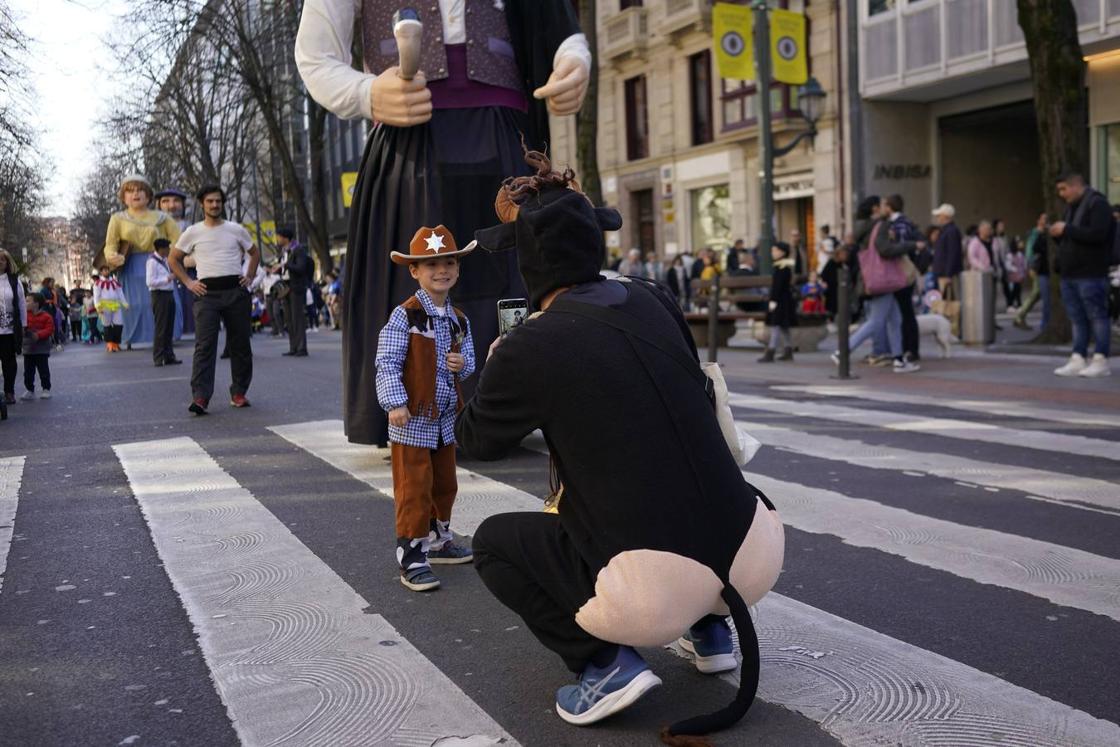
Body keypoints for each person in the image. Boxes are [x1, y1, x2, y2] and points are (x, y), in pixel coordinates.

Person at [460, 153, 783, 740]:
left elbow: (477, 438)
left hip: (655, 582)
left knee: (494, 544)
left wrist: (487, 370)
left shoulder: (531, 345)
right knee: (685, 467)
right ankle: (712, 631)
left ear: (527, 261)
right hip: (756, 549)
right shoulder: (653, 298)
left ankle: (604, 666)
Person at [296, 0, 590, 447]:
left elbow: (558, 22)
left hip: (501, 129)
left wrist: (573, 57)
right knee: (422, 272)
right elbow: (315, 56)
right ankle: (412, 406)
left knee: (509, 270)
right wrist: (367, 93)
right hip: (408, 131)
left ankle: (510, 405)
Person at [375, 225, 476, 592]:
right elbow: (387, 360)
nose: (442, 270)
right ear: (415, 271)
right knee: (413, 487)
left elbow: (470, 360)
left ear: (458, 269)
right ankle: (411, 553)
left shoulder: (458, 319)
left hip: (444, 420)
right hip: (412, 421)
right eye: (431, 264)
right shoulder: (406, 315)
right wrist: (395, 402)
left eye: (449, 262)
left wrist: (460, 364)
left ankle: (437, 538)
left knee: (444, 484)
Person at [169, 185, 259, 414]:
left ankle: (239, 392)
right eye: (210, 201)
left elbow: (254, 252)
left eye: (218, 201)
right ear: (202, 204)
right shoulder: (192, 232)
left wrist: (249, 276)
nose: (214, 205)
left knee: (240, 345)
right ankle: (200, 397)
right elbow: (174, 259)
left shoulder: (235, 229)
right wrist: (189, 283)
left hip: (235, 291)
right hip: (206, 293)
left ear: (222, 203)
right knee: (205, 346)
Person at [833, 195, 922, 374]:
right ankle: (843, 351)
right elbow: (885, 250)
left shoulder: (863, 227)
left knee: (895, 319)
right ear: (875, 208)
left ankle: (898, 360)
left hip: (869, 277)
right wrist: (912, 245)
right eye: (882, 204)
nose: (885, 207)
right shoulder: (880, 226)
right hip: (883, 278)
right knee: (876, 321)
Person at [102, 175, 182, 350]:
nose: (135, 194)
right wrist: (113, 256)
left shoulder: (162, 218)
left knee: (164, 303)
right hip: (130, 268)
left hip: (159, 264)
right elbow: (110, 246)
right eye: (130, 191)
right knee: (135, 304)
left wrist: (172, 257)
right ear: (124, 197)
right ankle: (131, 337)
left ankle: (167, 335)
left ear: (148, 195)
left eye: (140, 190)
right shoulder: (117, 219)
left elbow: (178, 240)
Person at [1050, 172, 1113, 378]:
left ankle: (1100, 358)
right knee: (1077, 318)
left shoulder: (1098, 204)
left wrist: (1067, 229)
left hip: (1091, 272)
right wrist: (1060, 235)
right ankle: (1078, 356)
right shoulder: (1072, 208)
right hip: (1071, 272)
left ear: (1076, 186)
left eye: (1064, 189)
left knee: (1097, 316)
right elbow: (1074, 238)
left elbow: (1097, 234)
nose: (1062, 194)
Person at [884, 194, 922, 363]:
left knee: (905, 312)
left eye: (885, 205)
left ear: (890, 207)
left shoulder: (899, 225)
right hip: (902, 273)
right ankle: (905, 348)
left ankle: (910, 349)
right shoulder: (904, 222)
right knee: (903, 312)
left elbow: (900, 247)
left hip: (901, 272)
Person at [156, 186, 192, 336]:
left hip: (185, 272)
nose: (171, 205)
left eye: (176, 201)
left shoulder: (189, 227)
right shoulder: (155, 227)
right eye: (166, 201)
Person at [272, 227, 311, 357]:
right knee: (288, 318)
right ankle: (293, 347)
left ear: (285, 238)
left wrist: (284, 265)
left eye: (278, 236)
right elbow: (285, 269)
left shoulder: (298, 250)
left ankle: (301, 348)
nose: (277, 239)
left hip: (296, 287)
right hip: (286, 287)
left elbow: (301, 268)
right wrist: (277, 269)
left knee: (297, 318)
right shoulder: (284, 251)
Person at [759, 242, 797, 362]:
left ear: (782, 252)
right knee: (783, 326)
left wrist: (773, 300)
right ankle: (788, 350)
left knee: (776, 325)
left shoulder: (782, 267)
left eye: (775, 250)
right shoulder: (782, 266)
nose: (773, 253)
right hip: (784, 300)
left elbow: (778, 286)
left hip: (780, 300)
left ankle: (771, 352)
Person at [147, 238, 182, 367]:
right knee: (161, 327)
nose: (169, 250)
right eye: (167, 248)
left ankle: (169, 356)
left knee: (169, 327)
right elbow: (150, 282)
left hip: (169, 294)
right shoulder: (152, 262)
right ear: (160, 249)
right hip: (159, 295)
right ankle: (158, 357)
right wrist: (167, 278)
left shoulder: (166, 260)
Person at [1015, 213, 1052, 331]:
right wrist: (1030, 266)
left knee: (1038, 293)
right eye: (1043, 219)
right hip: (1037, 267)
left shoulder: (1045, 233)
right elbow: (1030, 251)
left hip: (1040, 267)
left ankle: (1021, 315)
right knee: (1037, 292)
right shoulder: (1035, 234)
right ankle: (1020, 315)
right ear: (1039, 221)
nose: (1045, 221)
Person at [0, 249, 26, 406]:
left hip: (9, 330)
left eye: (3, 259)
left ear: (7, 262)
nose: (0, 262)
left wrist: (24, 325)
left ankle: (9, 392)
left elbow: (22, 303)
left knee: (9, 362)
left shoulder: (14, 281)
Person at [20, 293, 54, 401]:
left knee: (43, 370)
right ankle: (30, 390)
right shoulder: (24, 316)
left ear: (36, 303)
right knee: (28, 372)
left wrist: (38, 335)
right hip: (28, 349)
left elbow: (49, 329)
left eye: (28, 301)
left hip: (41, 349)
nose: (25, 303)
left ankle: (46, 389)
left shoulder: (46, 316)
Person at [931, 203, 963, 300]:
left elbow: (953, 254)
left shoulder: (951, 231)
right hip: (941, 273)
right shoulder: (946, 230)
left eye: (939, 216)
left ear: (945, 216)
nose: (937, 218)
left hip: (946, 274)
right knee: (942, 300)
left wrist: (949, 274)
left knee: (948, 302)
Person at [93, 266, 127, 352]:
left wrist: (125, 303)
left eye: (108, 270)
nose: (106, 271)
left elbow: (120, 293)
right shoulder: (98, 283)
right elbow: (96, 296)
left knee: (119, 324)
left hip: (115, 305)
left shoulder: (114, 281)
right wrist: (98, 307)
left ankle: (116, 343)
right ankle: (110, 344)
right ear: (101, 272)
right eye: (104, 270)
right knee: (107, 325)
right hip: (105, 306)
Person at [1003, 237, 1026, 312]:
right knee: (1014, 290)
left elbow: (1023, 263)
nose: (1021, 244)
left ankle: (1017, 304)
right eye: (1019, 243)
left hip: (1020, 275)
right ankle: (1011, 304)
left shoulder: (1020, 254)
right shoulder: (1010, 255)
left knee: (1018, 290)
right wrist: (1015, 269)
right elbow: (1008, 265)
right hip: (1013, 276)